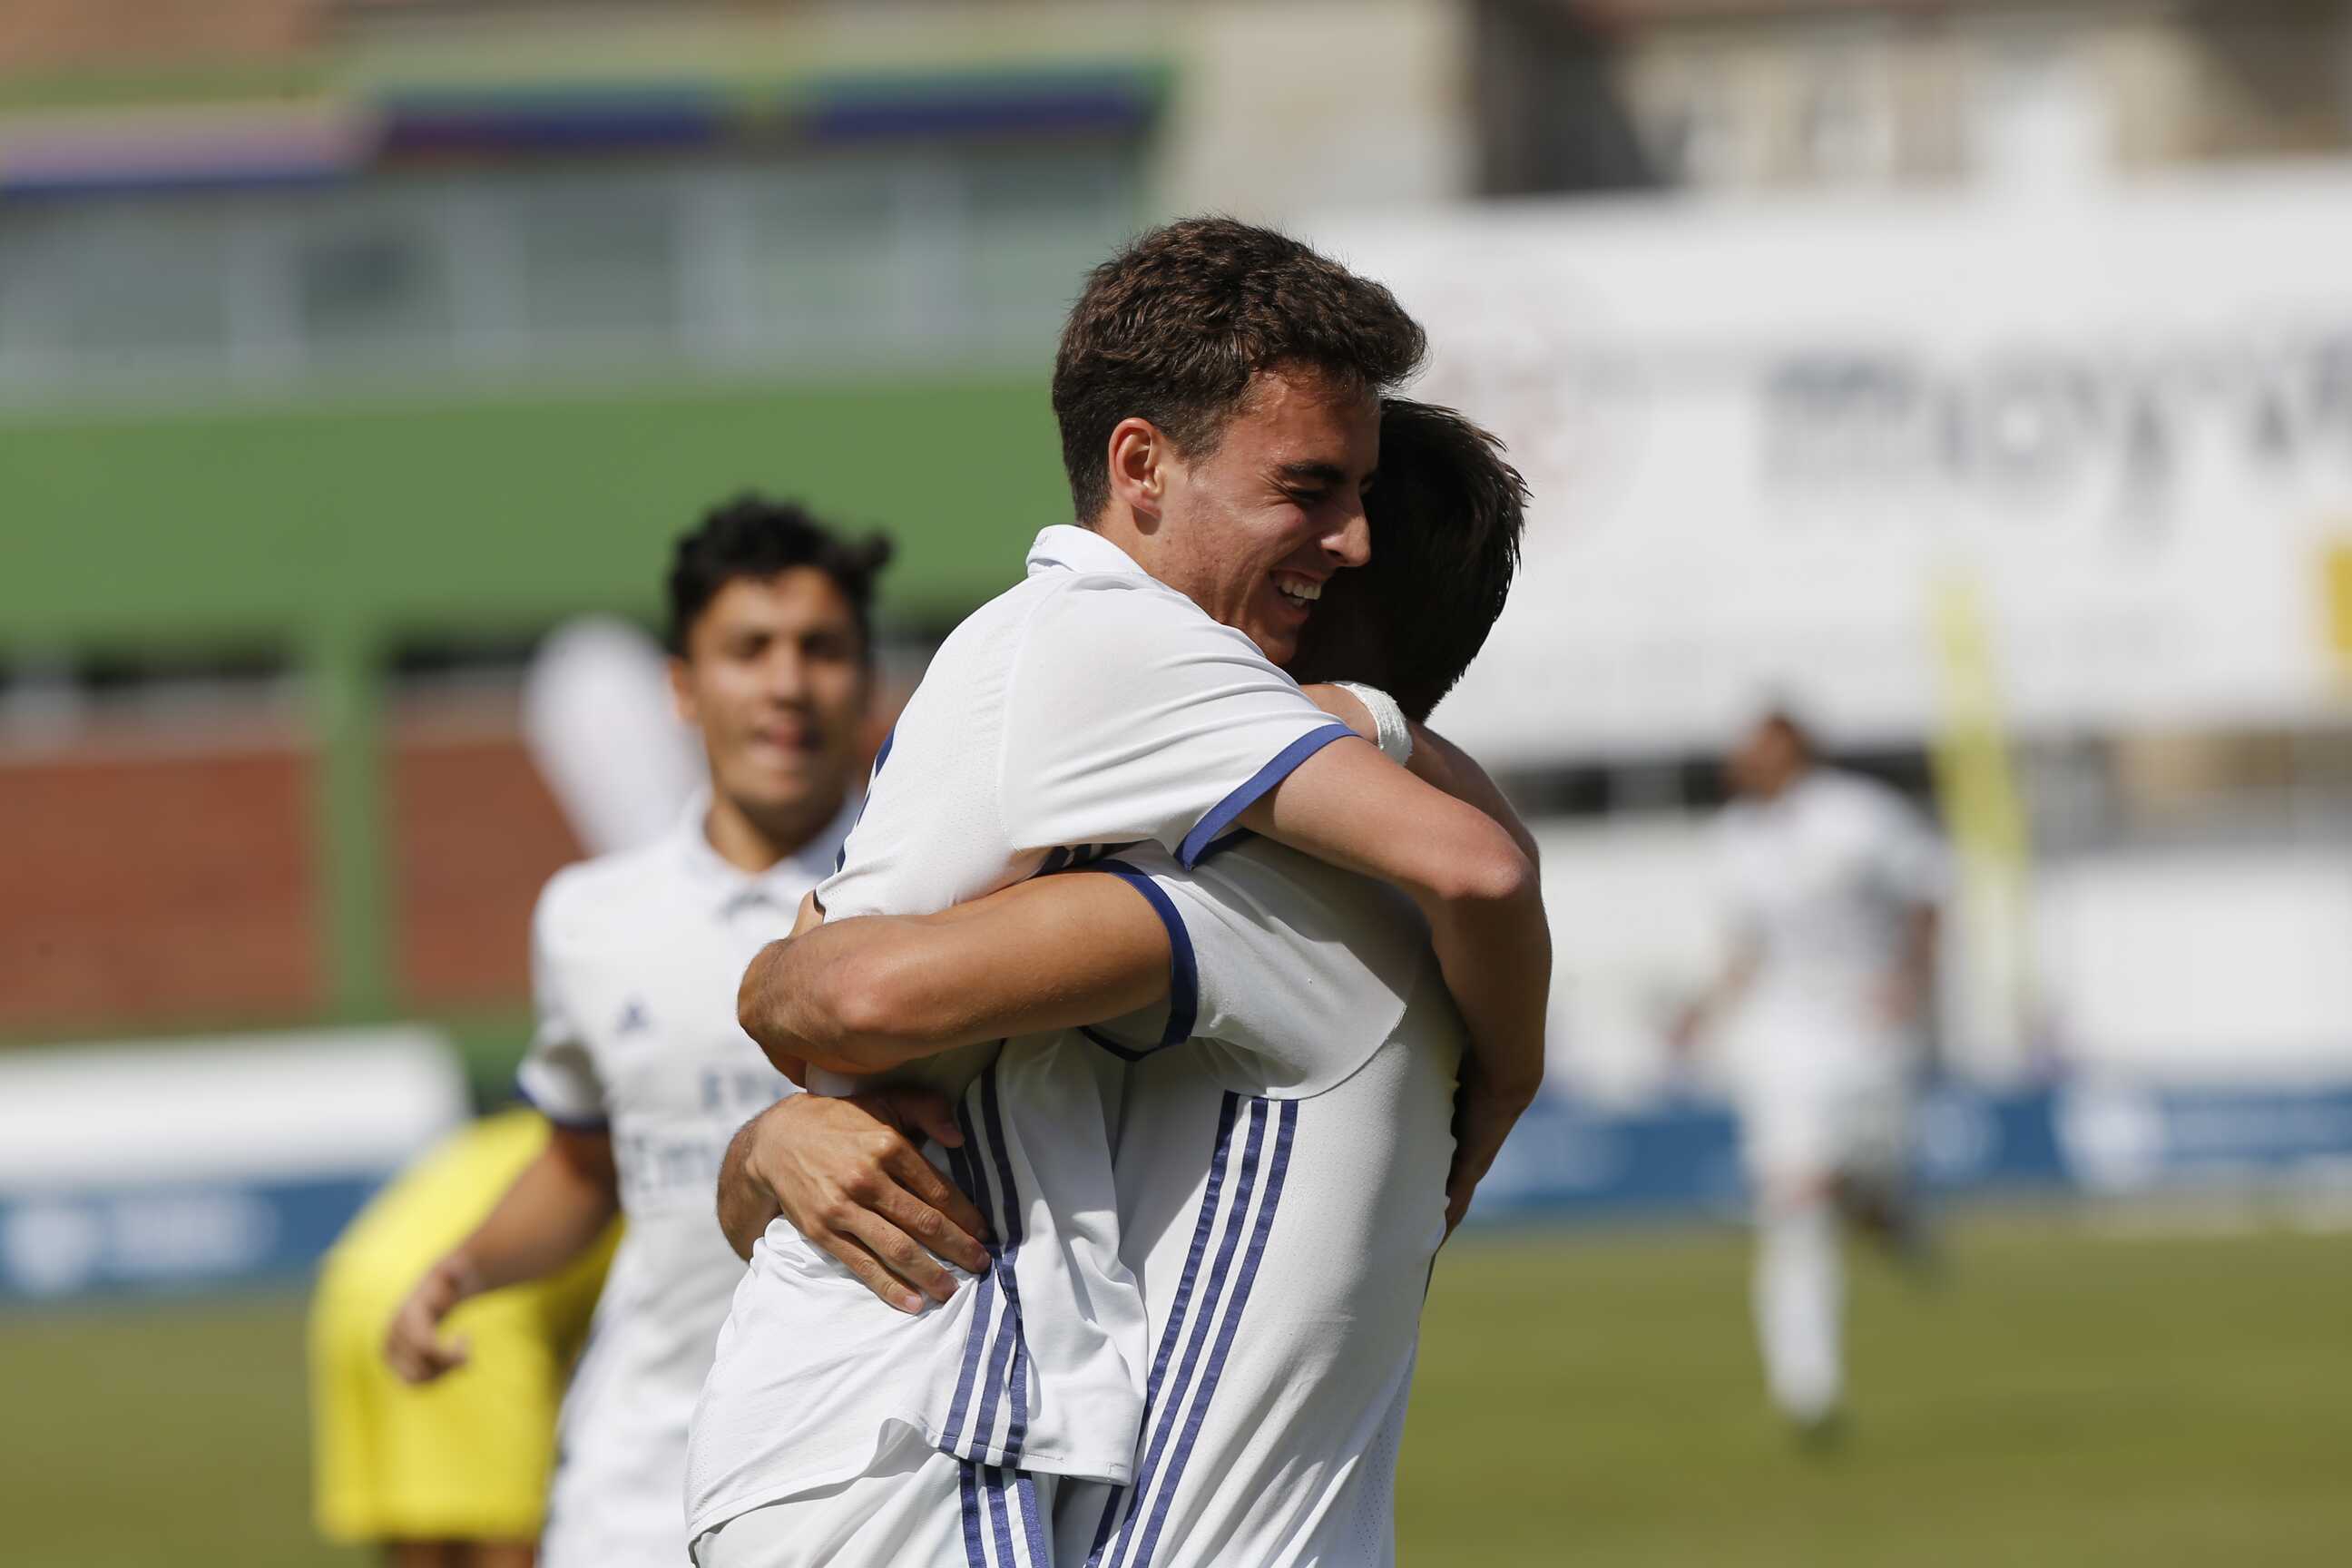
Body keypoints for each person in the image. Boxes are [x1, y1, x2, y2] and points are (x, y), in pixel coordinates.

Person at [684, 220, 1549, 1567]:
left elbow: (837, 992)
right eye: (1311, 491)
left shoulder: (1252, 884)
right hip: (897, 1421)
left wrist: (775, 1041)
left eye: (1359, 504)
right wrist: (1507, 1078)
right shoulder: (1117, 662)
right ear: (1143, 463)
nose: (1342, 536)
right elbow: (841, 1015)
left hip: (879, 1421)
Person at [380, 496, 990, 1567]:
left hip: (878, 1463)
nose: (787, 683)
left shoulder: (949, 898)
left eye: (822, 649)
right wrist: (462, 1270)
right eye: (749, 649)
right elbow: (585, 1168)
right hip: (636, 1486)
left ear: (867, 685)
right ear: (682, 686)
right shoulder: (589, 917)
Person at [1671, 709, 1948, 1437]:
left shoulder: (1861, 816)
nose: (1744, 761)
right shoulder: (1733, 838)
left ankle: (1889, 1214)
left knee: (1863, 1178)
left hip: (1867, 1021)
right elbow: (1745, 947)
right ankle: (1808, 1390)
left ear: (1794, 750)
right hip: (1782, 1031)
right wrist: (1702, 1011)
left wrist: (1911, 981)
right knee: (1795, 1195)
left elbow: (1928, 894)